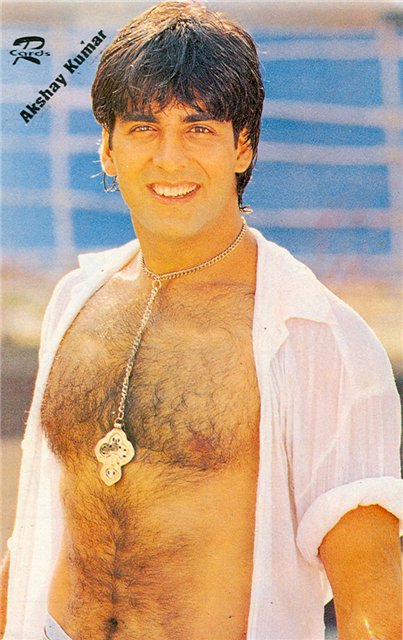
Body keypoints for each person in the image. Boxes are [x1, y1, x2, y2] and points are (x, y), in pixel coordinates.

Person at [1, 2, 402, 639]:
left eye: (199, 128)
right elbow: (36, 535)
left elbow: (372, 607)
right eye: (143, 128)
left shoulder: (314, 335)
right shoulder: (77, 300)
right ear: (107, 148)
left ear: (243, 147)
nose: (169, 158)